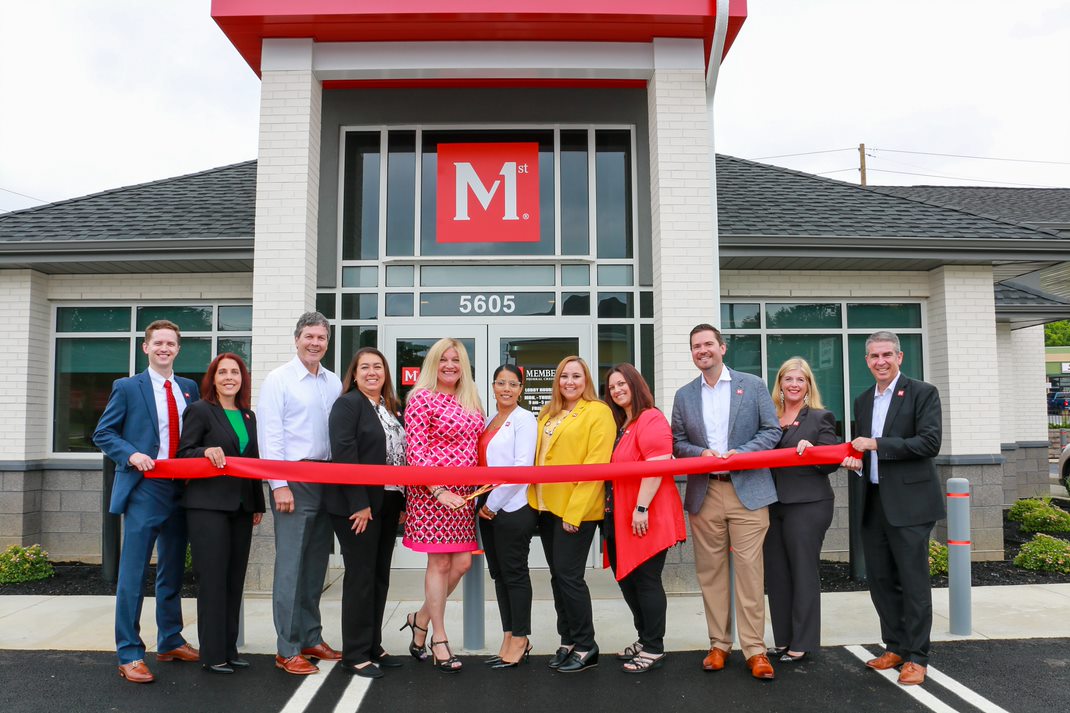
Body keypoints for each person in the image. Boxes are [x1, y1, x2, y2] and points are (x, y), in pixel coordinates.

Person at [93, 319, 201, 683]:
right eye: (158, 343)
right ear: (146, 347)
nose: (164, 349)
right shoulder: (126, 387)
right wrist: (130, 454)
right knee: (134, 574)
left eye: (171, 343)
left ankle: (170, 639)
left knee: (172, 569)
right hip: (144, 488)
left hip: (180, 489)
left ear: (178, 349)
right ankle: (129, 652)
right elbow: (103, 433)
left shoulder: (188, 389)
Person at [671, 324, 781, 680]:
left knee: (750, 573)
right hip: (706, 492)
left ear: (722, 347)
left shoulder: (752, 385)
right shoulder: (684, 394)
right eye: (695, 347)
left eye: (707, 344)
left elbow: (772, 430)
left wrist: (742, 454)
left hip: (747, 489)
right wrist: (700, 452)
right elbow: (677, 442)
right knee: (711, 573)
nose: (702, 351)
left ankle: (755, 650)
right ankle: (719, 644)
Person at [841, 331, 943, 686]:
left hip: (911, 505)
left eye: (887, 354)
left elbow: (929, 442)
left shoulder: (922, 392)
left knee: (913, 582)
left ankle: (918, 656)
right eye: (874, 356)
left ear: (900, 357)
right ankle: (895, 646)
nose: (880, 361)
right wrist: (857, 460)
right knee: (881, 580)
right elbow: (864, 450)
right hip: (873, 503)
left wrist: (876, 444)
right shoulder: (863, 400)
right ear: (866, 361)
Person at [258, 312, 344, 675]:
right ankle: (287, 648)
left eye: (321, 338)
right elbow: (270, 435)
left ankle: (310, 635)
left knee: (314, 567)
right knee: (291, 567)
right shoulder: (278, 380)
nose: (315, 343)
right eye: (309, 336)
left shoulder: (333, 381)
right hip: (293, 480)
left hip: (327, 479)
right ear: (297, 339)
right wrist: (278, 484)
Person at [177, 353, 265, 675]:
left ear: (243, 379)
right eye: (223, 372)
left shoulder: (248, 415)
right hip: (207, 508)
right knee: (213, 581)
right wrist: (204, 452)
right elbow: (183, 453)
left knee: (233, 580)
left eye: (236, 372)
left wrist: (257, 504)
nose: (230, 377)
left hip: (241, 508)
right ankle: (212, 654)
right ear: (213, 378)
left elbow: (252, 462)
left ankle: (229, 648)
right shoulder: (200, 411)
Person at [401, 338, 484, 673]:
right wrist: (438, 491)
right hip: (431, 494)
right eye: (443, 359)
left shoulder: (470, 399)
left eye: (456, 359)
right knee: (439, 564)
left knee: (462, 563)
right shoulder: (421, 399)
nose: (450, 365)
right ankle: (439, 637)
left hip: (464, 497)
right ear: (433, 363)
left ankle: (419, 617)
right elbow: (415, 452)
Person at [529, 356, 615, 674]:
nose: (569, 382)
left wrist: (575, 512)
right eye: (564, 376)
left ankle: (586, 644)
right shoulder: (548, 412)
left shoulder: (598, 412)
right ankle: (567, 639)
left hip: (574, 509)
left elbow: (596, 465)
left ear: (586, 380)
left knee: (569, 576)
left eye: (576, 376)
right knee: (558, 577)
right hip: (546, 506)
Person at [326, 347, 408, 679]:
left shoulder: (389, 408)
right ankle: (355, 653)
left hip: (388, 502)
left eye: (378, 366)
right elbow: (345, 454)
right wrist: (359, 503)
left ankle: (374, 645)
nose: (372, 372)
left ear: (385, 373)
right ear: (355, 373)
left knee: (378, 576)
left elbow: (399, 457)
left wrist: (401, 503)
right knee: (360, 577)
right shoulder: (348, 404)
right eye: (365, 367)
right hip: (357, 505)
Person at [603, 363, 687, 674]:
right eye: (612, 387)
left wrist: (641, 508)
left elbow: (658, 465)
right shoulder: (622, 424)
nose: (617, 390)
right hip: (618, 514)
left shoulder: (651, 418)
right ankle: (644, 636)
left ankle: (654, 646)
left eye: (622, 384)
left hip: (645, 513)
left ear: (636, 385)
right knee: (626, 579)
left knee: (646, 580)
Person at [763, 357, 839, 664]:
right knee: (777, 574)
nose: (794, 384)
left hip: (808, 504)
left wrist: (813, 452)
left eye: (801, 379)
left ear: (808, 385)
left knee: (803, 571)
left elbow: (831, 462)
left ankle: (803, 641)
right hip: (771, 504)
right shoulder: (768, 417)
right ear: (779, 383)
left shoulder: (820, 417)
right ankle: (783, 640)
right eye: (788, 379)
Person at [476, 364, 538, 669]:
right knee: (499, 575)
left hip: (512, 508)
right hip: (487, 507)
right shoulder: (490, 419)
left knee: (514, 574)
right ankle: (508, 634)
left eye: (513, 384)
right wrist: (484, 505)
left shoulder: (525, 419)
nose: (506, 389)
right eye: (501, 382)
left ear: (521, 388)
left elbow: (521, 467)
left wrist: (493, 504)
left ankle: (521, 638)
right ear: (493, 385)